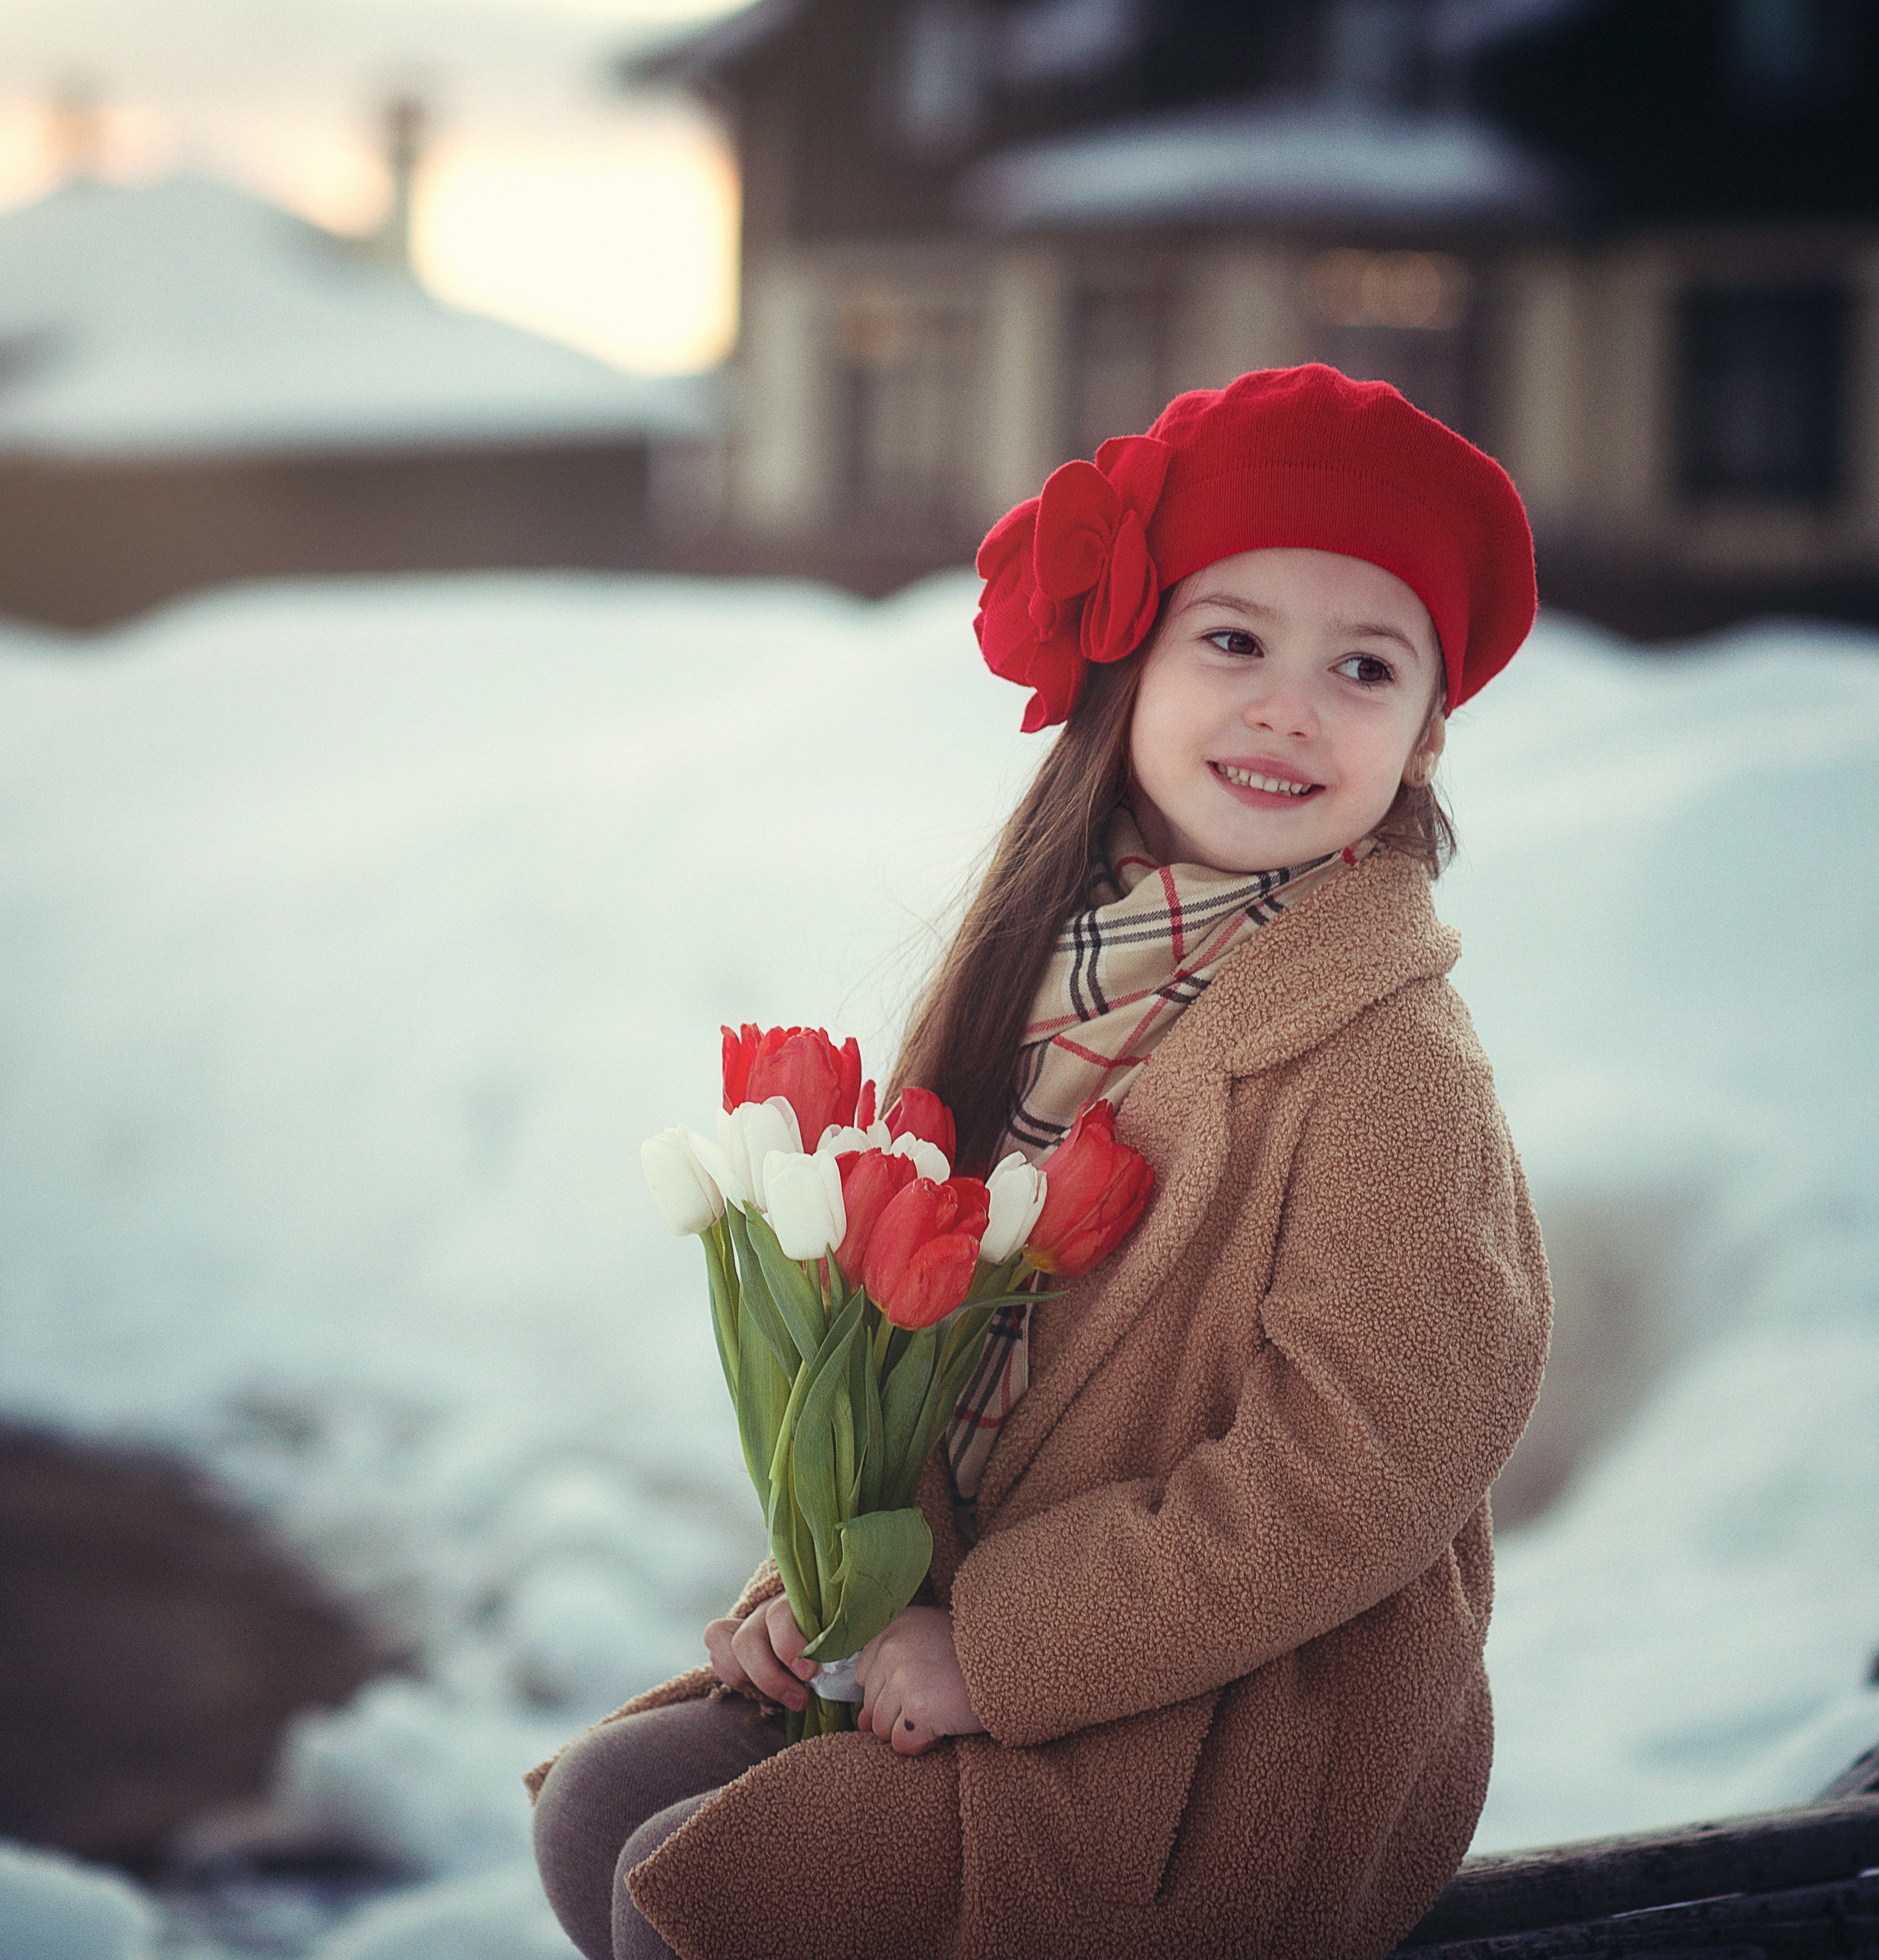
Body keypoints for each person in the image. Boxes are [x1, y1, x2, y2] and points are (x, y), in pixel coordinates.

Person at [529, 364, 1554, 1960]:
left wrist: (995, 1652)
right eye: (1233, 639)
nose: (1289, 704)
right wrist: (828, 1580)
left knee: (708, 1882)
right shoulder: (1042, 973)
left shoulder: (1384, 1063)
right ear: (1126, 666)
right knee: (600, 1801)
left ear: (1422, 738)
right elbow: (931, 1354)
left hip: (1233, 1700)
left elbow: (1357, 1469)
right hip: (975, 1618)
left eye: (1362, 665)